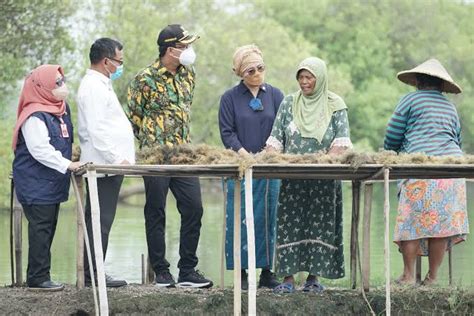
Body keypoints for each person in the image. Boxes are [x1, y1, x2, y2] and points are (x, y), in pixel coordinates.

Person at [127, 24, 212, 288]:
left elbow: (184, 110)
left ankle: (188, 270)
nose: (189, 51)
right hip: (155, 157)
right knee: (156, 211)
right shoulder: (144, 79)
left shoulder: (189, 75)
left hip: (184, 155)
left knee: (194, 208)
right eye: (185, 46)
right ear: (170, 49)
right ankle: (161, 271)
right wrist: (152, 143)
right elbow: (134, 118)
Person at [266, 57, 352, 293]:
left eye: (309, 78)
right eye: (301, 78)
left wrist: (321, 162)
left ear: (320, 78)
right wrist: (269, 158)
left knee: (319, 226)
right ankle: (288, 279)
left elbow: (341, 143)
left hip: (323, 180)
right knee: (289, 225)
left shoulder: (335, 104)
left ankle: (313, 279)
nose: (304, 82)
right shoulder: (289, 103)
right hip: (293, 180)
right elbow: (275, 140)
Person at [384, 58, 469, 286]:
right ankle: (432, 278)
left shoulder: (409, 100)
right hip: (451, 170)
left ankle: (409, 275)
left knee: (411, 223)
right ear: (441, 85)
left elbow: (392, 136)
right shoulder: (450, 107)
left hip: (420, 168)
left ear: (418, 81)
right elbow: (457, 140)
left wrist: (392, 151)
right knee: (439, 226)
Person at [12, 64, 82, 290]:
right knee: (41, 228)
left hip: (53, 181)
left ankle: (42, 275)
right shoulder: (34, 114)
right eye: (58, 83)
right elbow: (39, 149)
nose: (63, 86)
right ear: (42, 86)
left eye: (63, 81)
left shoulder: (61, 109)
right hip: (35, 181)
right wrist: (68, 164)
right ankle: (37, 278)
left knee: (49, 226)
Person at [218, 44, 283, 290]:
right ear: (240, 74)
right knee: (239, 218)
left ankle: (268, 272)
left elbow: (283, 128)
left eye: (260, 68)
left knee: (270, 217)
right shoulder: (230, 98)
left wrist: (269, 154)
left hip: (270, 167)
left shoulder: (276, 95)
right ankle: (242, 273)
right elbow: (227, 133)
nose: (256, 73)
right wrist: (246, 156)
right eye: (250, 71)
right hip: (240, 167)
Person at [77, 38, 136, 287]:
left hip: (109, 166)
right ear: (106, 61)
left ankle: (96, 271)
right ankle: (92, 275)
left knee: (103, 220)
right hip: (102, 166)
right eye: (119, 61)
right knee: (99, 221)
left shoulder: (102, 84)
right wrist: (115, 159)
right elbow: (96, 129)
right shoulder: (92, 86)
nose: (120, 66)